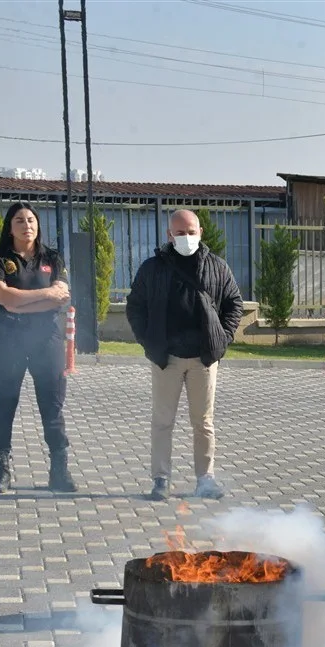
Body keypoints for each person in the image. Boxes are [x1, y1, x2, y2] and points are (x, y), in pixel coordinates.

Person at [125, 209, 244, 501]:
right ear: (169, 235)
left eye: (191, 232)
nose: (186, 238)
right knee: (162, 421)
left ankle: (205, 479)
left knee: (203, 422)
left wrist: (222, 339)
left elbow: (234, 304)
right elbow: (135, 306)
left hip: (204, 358)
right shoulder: (153, 268)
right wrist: (148, 342)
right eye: (179, 233)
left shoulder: (217, 267)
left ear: (200, 233)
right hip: (167, 358)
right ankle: (160, 480)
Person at [0, 202, 76, 494]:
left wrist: (22, 300)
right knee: (4, 403)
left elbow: (61, 297)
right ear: (10, 227)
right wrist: (44, 294)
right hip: (8, 336)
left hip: (46, 336)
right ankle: (1, 470)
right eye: (20, 220)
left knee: (52, 405)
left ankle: (59, 470)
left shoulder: (53, 258)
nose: (27, 225)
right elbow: (3, 296)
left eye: (31, 220)